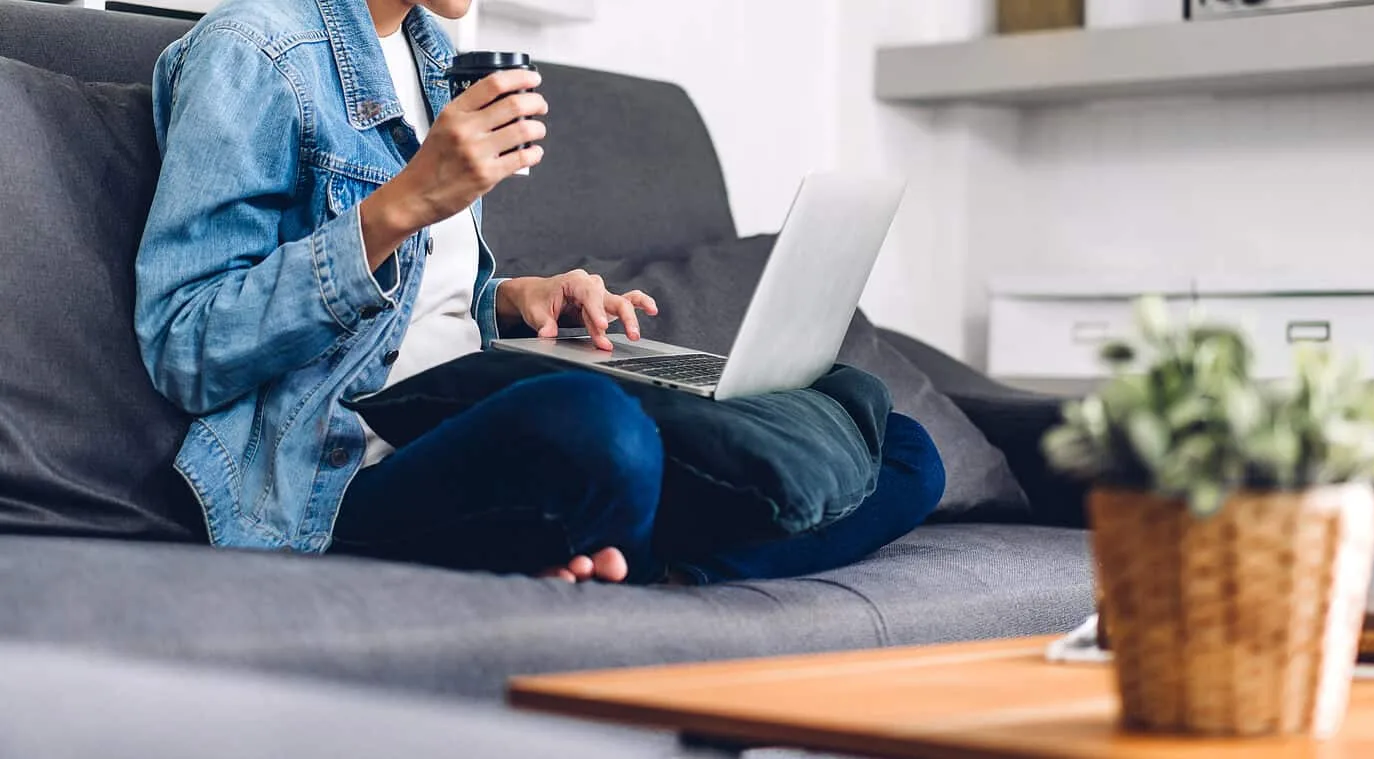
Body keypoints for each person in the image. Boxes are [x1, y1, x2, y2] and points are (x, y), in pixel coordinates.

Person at [135, 0, 945, 584]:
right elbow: (187, 344)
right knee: (595, 428)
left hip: (466, 423)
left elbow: (423, 306)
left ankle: (659, 564)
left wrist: (516, 299)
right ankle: (649, 536)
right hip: (335, 474)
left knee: (895, 442)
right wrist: (399, 205)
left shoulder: (429, 54)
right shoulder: (252, 50)